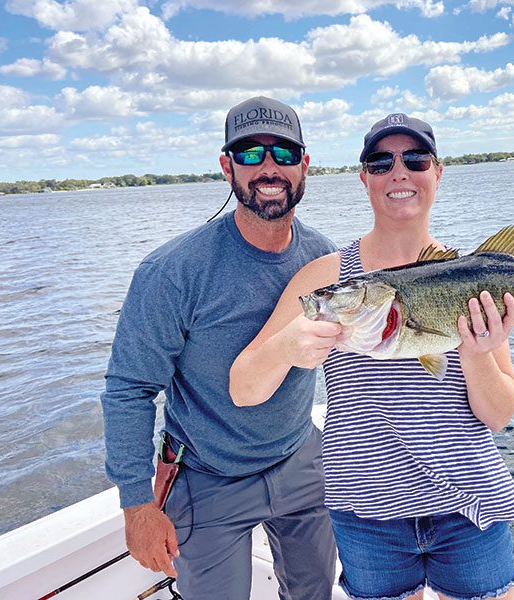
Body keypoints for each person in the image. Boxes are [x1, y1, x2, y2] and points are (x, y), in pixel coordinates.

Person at [230, 113, 514, 600]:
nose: (399, 172)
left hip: (468, 505)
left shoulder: (472, 276)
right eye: (381, 161)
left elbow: (498, 415)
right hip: (367, 513)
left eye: (415, 159)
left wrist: (476, 353)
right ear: (363, 176)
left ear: (437, 171)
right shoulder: (326, 278)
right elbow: (243, 388)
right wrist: (286, 347)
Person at [100, 96, 337, 599]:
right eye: (250, 154)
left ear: (305, 165)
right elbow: (129, 390)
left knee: (315, 592)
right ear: (226, 166)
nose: (269, 168)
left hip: (299, 457)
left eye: (284, 154)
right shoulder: (172, 272)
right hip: (207, 475)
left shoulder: (324, 259)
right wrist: (137, 506)